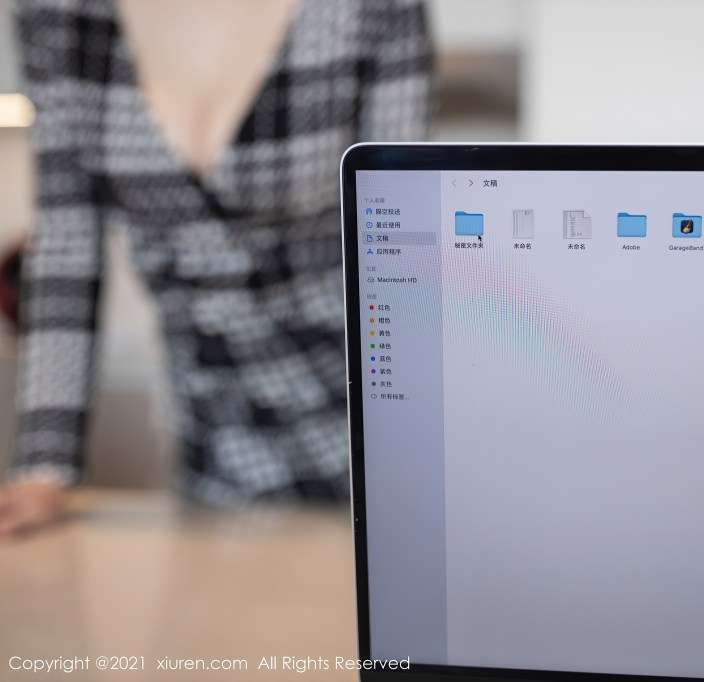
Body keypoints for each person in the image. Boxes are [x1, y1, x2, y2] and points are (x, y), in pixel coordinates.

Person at [0, 0, 432, 535]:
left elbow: (404, 238)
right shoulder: (56, 13)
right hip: (205, 436)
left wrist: (413, 453)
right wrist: (44, 467)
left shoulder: (369, 8)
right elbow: (66, 241)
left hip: (359, 424)